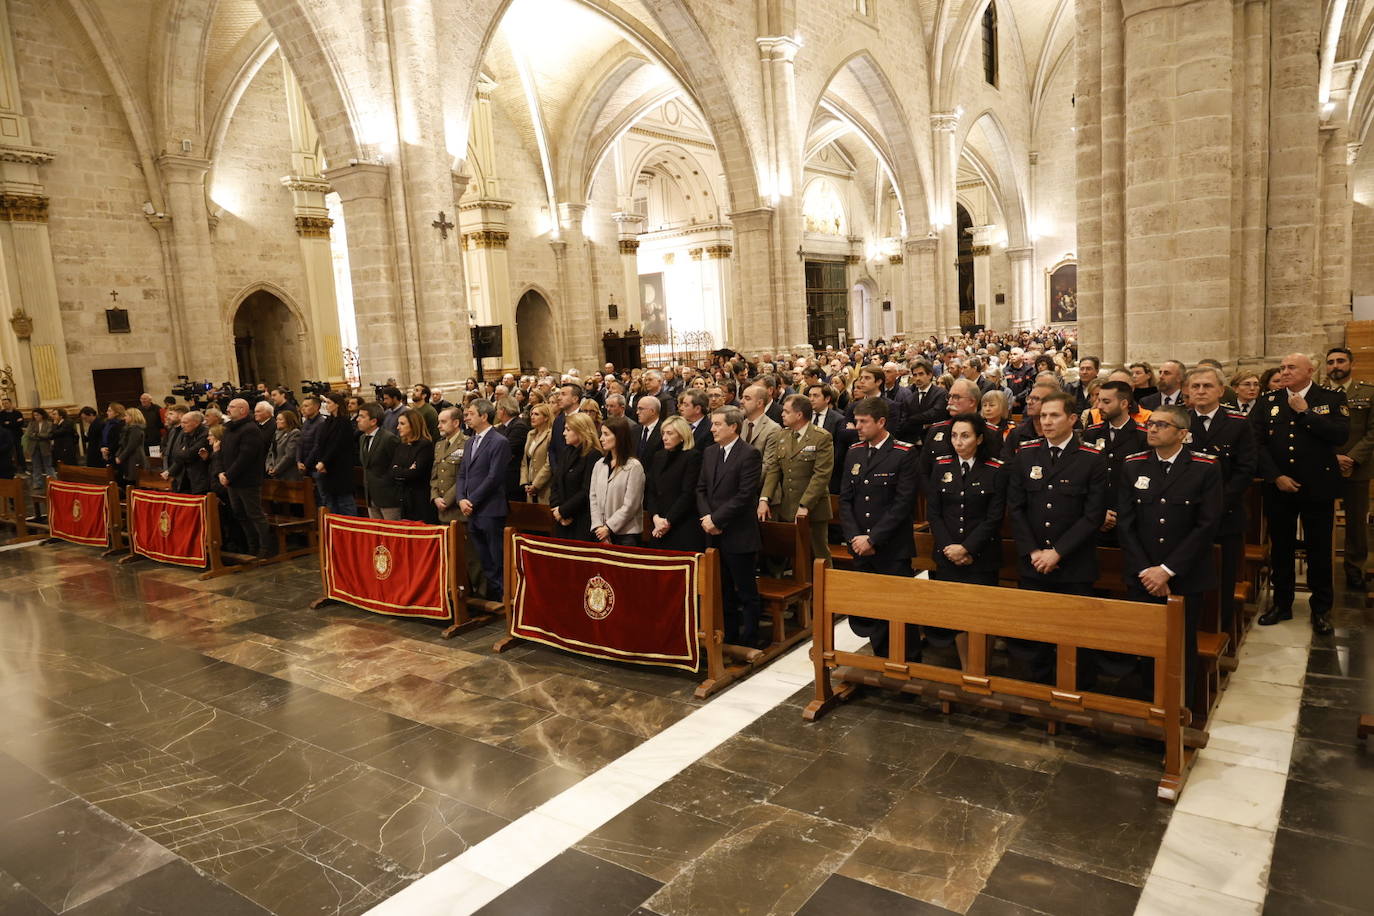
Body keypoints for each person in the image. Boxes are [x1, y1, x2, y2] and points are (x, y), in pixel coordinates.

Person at [1118, 404, 1224, 704]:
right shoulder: (1133, 464)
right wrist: (1147, 571)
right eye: (1151, 423)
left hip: (1185, 574)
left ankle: (1180, 709)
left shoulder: (1205, 467)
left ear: (1182, 434)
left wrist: (1166, 570)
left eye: (1162, 425)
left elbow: (1207, 525)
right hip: (1143, 574)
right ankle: (1151, 708)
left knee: (1181, 644)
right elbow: (1126, 524)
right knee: (1147, 644)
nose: (1152, 429)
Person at [1006, 392, 1108, 682]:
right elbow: (1016, 507)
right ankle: (1031, 695)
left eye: (1054, 416)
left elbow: (1093, 515)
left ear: (1073, 419)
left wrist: (1057, 552)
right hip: (1033, 563)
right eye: (1043, 416)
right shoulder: (1026, 453)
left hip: (1074, 564)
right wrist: (1034, 551)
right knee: (1031, 638)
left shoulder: (1091, 458)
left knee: (1076, 637)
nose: (1046, 422)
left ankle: (1076, 697)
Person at [1252, 353, 1349, 635]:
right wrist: (1276, 476)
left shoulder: (1330, 399)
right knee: (1281, 548)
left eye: (1291, 367)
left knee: (1318, 550)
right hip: (1280, 487)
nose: (1284, 372)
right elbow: (1256, 443)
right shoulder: (1269, 401)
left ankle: (1321, 610)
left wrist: (1305, 412)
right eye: (1282, 367)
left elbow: (1340, 435)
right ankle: (1282, 604)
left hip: (1318, 486)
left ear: (1310, 371)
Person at [839, 397, 920, 658]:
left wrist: (872, 539)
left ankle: (907, 665)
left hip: (890, 547)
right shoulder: (855, 451)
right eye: (856, 421)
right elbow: (846, 499)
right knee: (872, 610)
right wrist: (854, 537)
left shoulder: (903, 453)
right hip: (860, 547)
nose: (858, 427)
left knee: (898, 612)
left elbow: (902, 504)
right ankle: (881, 661)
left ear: (881, 422)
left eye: (863, 422)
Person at [927, 413, 1007, 667]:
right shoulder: (941, 466)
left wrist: (967, 548)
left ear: (979, 439)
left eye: (965, 436)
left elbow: (994, 517)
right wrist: (949, 548)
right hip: (948, 554)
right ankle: (967, 668)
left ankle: (981, 668)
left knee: (983, 616)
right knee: (958, 616)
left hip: (981, 556)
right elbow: (934, 513)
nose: (958, 442)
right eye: (953, 436)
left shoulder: (995, 469)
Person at [1185, 365, 1256, 634]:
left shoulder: (1237, 423)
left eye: (1207, 386)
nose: (1201, 391)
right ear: (1188, 392)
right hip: (1187, 516)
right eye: (1195, 386)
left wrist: (1215, 504)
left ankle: (1221, 631)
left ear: (1221, 391)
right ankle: (1192, 628)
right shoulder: (1179, 421)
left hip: (1225, 515)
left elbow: (1245, 469)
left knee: (1223, 579)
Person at [697, 406, 764, 648]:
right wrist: (707, 517)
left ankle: (750, 639)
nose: (712, 429)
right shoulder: (710, 452)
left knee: (746, 591)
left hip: (738, 533)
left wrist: (717, 519)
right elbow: (701, 489)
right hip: (712, 533)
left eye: (717, 424)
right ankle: (730, 635)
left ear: (733, 427)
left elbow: (745, 495)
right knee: (722, 589)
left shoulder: (749, 454)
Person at [759, 393, 834, 563]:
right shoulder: (783, 435)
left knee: (819, 554)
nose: (782, 414)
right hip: (788, 506)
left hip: (813, 508)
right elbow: (774, 470)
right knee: (796, 556)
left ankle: (825, 589)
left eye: (786, 411)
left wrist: (805, 504)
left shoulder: (821, 437)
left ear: (799, 415)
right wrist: (765, 498)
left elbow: (821, 475)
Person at [1325, 347, 1374, 589]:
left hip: (1357, 467)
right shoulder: (1319, 395)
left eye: (1341, 361)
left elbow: (1372, 432)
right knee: (1322, 520)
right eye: (1331, 362)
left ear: (1351, 363)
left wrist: (1351, 458)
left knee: (1356, 522)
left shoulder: (1367, 392)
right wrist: (1334, 457)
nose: (1336, 365)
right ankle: (1322, 565)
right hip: (1325, 466)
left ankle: (1354, 569)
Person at [1081, 380, 1148, 545]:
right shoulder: (1092, 433)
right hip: (1097, 516)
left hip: (1132, 517)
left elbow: (1145, 481)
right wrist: (1099, 511)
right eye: (1098, 400)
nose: (1099, 406)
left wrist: (1120, 512)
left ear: (1124, 403)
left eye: (1106, 401)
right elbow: (1084, 477)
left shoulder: (1142, 436)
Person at [457, 398, 510, 596]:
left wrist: (472, 500)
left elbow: (494, 477)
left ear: (484, 416)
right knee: (482, 557)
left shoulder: (499, 441)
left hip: (490, 508)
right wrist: (461, 498)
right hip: (472, 509)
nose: (466, 417)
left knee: (496, 557)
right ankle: (491, 594)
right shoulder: (470, 441)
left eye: (470, 413)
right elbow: (463, 473)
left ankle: (503, 596)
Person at [219, 398, 272, 557]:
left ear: (242, 410)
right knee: (240, 514)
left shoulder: (250, 429)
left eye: (232, 407)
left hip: (247, 480)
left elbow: (245, 457)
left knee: (254, 514)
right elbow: (224, 453)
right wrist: (222, 472)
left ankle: (265, 548)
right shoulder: (229, 429)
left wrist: (228, 474)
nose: (228, 410)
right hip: (232, 480)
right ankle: (252, 547)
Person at [646, 416, 705, 552]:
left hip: (681, 526)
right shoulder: (658, 456)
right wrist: (655, 517)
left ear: (682, 435)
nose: (664, 438)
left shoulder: (692, 457)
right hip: (658, 525)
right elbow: (652, 491)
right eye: (663, 433)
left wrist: (667, 521)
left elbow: (687, 494)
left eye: (670, 433)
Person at [589, 415, 646, 546]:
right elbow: (593, 498)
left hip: (626, 535)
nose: (601, 438)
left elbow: (631, 505)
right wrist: (599, 527)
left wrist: (608, 528)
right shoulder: (599, 464)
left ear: (619, 437)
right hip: (600, 532)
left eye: (606, 434)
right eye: (601, 434)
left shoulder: (634, 466)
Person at [550, 411, 600, 542]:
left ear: (581, 431)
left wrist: (564, 511)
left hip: (581, 520)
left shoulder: (593, 455)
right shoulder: (567, 451)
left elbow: (587, 491)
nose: (563, 433)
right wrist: (558, 510)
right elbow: (556, 482)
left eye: (568, 429)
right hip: (561, 519)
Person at [313, 393, 359, 516]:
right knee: (331, 503)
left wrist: (324, 462)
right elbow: (321, 443)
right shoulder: (328, 421)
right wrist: (321, 461)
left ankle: (350, 529)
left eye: (328, 403)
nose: (326, 405)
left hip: (340, 468)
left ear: (337, 405)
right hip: (328, 469)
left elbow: (337, 445)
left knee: (344, 502)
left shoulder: (344, 422)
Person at [357, 402, 402, 520]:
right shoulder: (362, 438)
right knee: (377, 534)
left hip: (388, 496)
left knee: (392, 533)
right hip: (370, 494)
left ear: (373, 421)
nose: (357, 419)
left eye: (362, 416)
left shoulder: (388, 438)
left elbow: (397, 466)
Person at [390, 408, 436, 522]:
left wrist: (400, 470)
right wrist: (406, 470)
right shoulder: (402, 445)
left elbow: (416, 473)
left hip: (420, 499)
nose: (398, 427)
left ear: (413, 425)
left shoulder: (425, 445)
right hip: (404, 498)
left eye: (402, 423)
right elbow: (392, 471)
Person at [493, 396, 529, 502]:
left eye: (498, 409)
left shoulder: (519, 426)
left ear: (503, 410)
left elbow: (505, 451)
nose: (497, 412)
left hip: (513, 479)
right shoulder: (501, 427)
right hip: (503, 478)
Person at [166, 410, 211, 494]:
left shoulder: (205, 434)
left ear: (196, 423)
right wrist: (184, 454)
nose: (182, 426)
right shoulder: (185, 433)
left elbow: (190, 454)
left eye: (185, 423)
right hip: (185, 477)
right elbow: (175, 453)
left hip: (200, 478)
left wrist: (184, 453)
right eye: (182, 422)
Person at [521, 403, 554, 504]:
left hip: (544, 486)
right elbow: (524, 462)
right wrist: (525, 482)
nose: (532, 417)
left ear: (546, 418)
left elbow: (549, 463)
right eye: (532, 414)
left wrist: (536, 485)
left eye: (536, 414)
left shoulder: (550, 435)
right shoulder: (530, 434)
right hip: (529, 485)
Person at [113, 408, 147, 487]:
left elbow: (131, 446)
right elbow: (123, 444)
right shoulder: (129, 429)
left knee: (134, 481)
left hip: (134, 457)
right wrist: (118, 455)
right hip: (129, 457)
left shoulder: (136, 429)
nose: (124, 418)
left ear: (132, 417)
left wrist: (121, 457)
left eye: (126, 416)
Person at [265, 410, 302, 481]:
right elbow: (270, 452)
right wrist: (269, 467)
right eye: (277, 419)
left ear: (288, 420)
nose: (277, 421)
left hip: (288, 474)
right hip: (275, 474)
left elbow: (289, 455)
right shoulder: (276, 433)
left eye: (280, 419)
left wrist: (276, 469)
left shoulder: (295, 433)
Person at [0, 397, 22, 473]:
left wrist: (9, 423)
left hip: (17, 435)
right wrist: (14, 423)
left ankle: (22, 468)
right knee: (9, 453)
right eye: (3, 404)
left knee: (20, 452)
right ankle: (12, 468)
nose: (5, 405)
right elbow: (2, 424)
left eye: (6, 403)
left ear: (10, 403)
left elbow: (20, 423)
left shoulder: (17, 413)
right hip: (6, 438)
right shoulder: (1, 414)